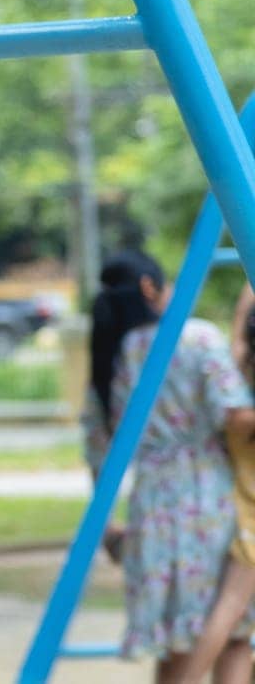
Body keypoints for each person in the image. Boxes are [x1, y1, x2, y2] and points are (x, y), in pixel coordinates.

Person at [82, 251, 255, 683]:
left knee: (183, 640)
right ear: (149, 287)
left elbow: (98, 456)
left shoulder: (111, 357)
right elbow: (235, 413)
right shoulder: (195, 338)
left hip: (152, 508)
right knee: (232, 632)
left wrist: (109, 533)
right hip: (208, 499)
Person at [174, 283, 255, 683]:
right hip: (250, 521)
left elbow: (240, 331)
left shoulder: (240, 375)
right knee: (228, 613)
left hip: (241, 508)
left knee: (233, 621)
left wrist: (246, 291)